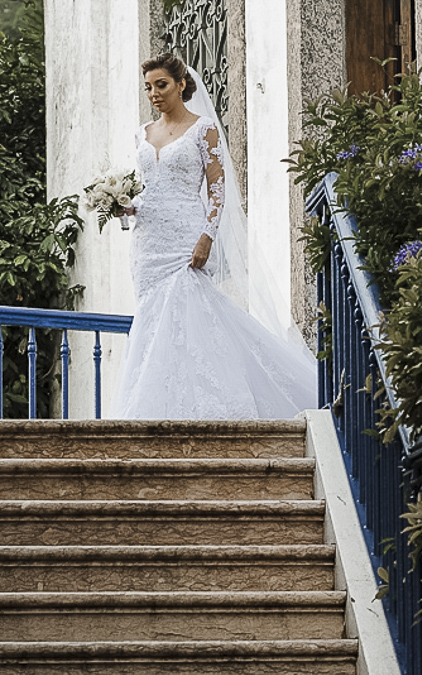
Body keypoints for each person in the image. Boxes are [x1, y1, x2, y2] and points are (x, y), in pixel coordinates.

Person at [110, 53, 316, 419]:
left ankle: (211, 403)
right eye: (148, 87)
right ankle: (158, 407)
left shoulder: (202, 128)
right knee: (154, 319)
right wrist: (126, 205)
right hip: (148, 243)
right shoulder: (143, 133)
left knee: (194, 312)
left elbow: (218, 189)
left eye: (161, 85)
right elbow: (149, 189)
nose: (154, 94)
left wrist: (207, 236)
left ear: (181, 85)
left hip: (187, 236)